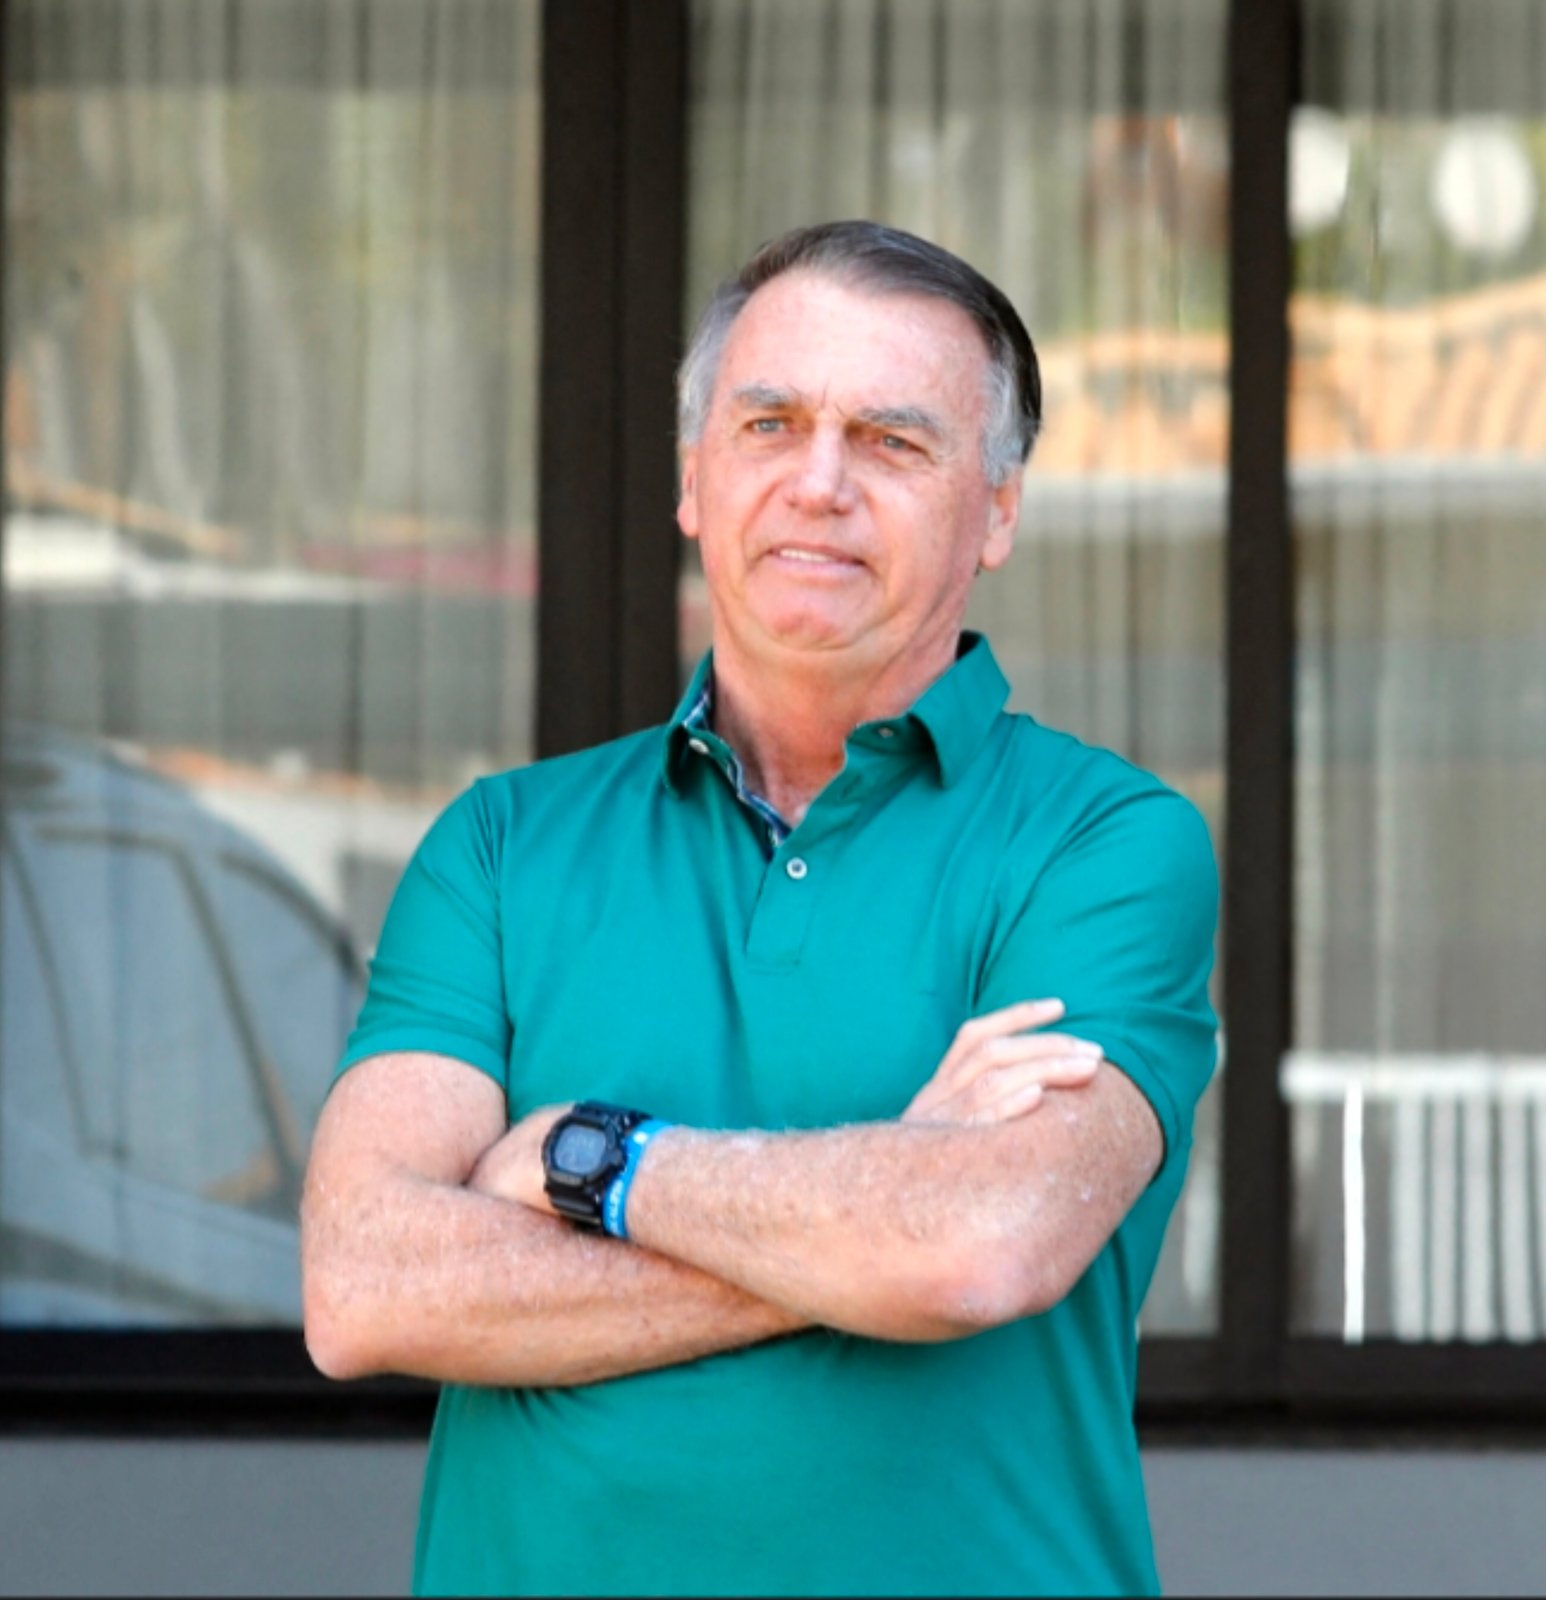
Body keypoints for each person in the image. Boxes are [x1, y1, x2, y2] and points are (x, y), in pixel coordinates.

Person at [302, 220, 1218, 1597]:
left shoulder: (1104, 843)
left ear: (997, 511)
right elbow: (364, 1287)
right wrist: (881, 1210)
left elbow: (981, 1247)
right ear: (693, 478)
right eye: (770, 425)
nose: (820, 483)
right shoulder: (500, 847)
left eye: (893, 442)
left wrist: (591, 1163)